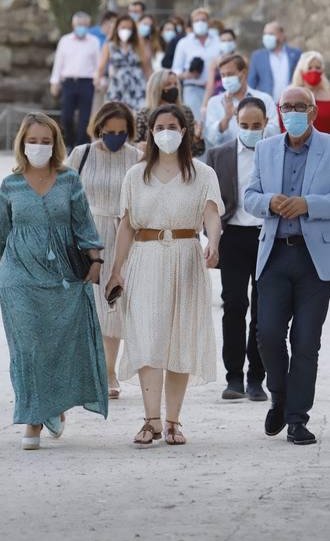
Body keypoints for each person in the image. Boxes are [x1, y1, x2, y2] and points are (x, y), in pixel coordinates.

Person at [244, 87, 330, 446]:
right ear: (279, 112)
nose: (292, 112)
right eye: (287, 107)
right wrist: (270, 202)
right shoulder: (264, 149)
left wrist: (309, 204)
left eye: (300, 106)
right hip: (275, 254)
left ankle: (297, 419)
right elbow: (250, 197)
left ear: (312, 112)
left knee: (306, 341)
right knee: (268, 336)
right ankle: (279, 397)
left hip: (316, 259)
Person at [0, 112, 107, 451]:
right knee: (27, 348)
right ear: (22, 143)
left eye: (45, 141)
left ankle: (53, 406)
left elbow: (84, 226)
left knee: (56, 346)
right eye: (33, 141)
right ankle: (33, 418)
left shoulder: (68, 180)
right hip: (17, 276)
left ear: (55, 144)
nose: (39, 146)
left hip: (61, 276)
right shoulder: (10, 184)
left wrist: (96, 262)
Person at [105, 104, 223, 447]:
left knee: (180, 337)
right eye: (160, 126)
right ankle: (151, 419)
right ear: (150, 133)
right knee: (148, 336)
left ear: (184, 132)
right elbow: (126, 225)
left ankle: (173, 420)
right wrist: (116, 270)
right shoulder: (135, 175)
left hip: (186, 256)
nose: (166, 131)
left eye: (173, 125)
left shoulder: (202, 173)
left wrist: (213, 243)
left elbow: (212, 213)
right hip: (145, 258)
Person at [69, 102, 141, 399]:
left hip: (125, 233)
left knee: (115, 305)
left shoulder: (136, 156)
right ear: (99, 128)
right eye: (110, 132)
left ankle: (109, 371)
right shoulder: (80, 154)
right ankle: (91, 370)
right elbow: (67, 194)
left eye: (122, 132)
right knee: (89, 305)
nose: (115, 137)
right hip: (88, 234)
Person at [207, 97, 268, 402]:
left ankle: (258, 378)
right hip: (233, 238)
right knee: (233, 306)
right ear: (236, 123)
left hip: (267, 238)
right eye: (244, 125)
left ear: (266, 124)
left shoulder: (276, 153)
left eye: (256, 126)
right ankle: (234, 378)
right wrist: (212, 240)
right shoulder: (219, 156)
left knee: (264, 309)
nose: (250, 130)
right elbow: (209, 203)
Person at [50, 12, 101, 150]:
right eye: (79, 25)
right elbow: (58, 63)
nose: (81, 27)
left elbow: (98, 64)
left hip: (87, 82)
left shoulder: (94, 41)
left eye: (84, 25)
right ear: (73, 25)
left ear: (88, 25)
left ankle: (81, 147)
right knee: (66, 116)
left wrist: (99, 80)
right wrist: (55, 82)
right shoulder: (65, 41)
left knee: (85, 119)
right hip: (69, 83)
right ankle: (69, 143)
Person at [205, 53, 279, 147]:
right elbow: (211, 139)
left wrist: (254, 123)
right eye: (223, 75)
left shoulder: (264, 99)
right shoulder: (214, 102)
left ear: (243, 73)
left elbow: (275, 133)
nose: (226, 79)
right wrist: (226, 118)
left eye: (230, 74)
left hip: (258, 154)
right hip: (228, 158)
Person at [135, 69, 205, 157]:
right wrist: (141, 147)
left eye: (176, 84)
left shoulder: (185, 112)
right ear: (157, 88)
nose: (174, 87)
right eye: (168, 84)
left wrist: (196, 138)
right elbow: (134, 147)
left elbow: (195, 151)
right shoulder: (144, 114)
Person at [172, 8, 221, 120]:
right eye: (196, 20)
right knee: (195, 122)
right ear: (192, 23)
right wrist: (189, 74)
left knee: (214, 122)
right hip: (192, 89)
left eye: (203, 20)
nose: (200, 23)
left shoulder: (218, 41)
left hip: (215, 90)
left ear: (209, 22)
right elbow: (175, 70)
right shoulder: (184, 43)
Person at [94, 14, 150, 111]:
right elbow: (102, 66)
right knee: (115, 113)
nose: (126, 30)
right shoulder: (109, 45)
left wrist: (151, 83)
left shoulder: (138, 45)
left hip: (137, 85)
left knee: (139, 114)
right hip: (117, 85)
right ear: (117, 28)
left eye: (129, 28)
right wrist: (97, 80)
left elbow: (146, 67)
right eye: (123, 27)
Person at [286, 51, 330, 138]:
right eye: (309, 68)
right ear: (302, 71)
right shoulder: (290, 96)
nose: (314, 71)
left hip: (327, 148)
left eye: (318, 68)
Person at [248, 21, 302, 102]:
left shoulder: (296, 54)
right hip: (267, 106)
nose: (267, 37)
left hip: (291, 105)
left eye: (271, 34)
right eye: (265, 34)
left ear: (281, 35)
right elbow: (251, 83)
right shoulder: (257, 56)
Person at [201, 28, 239, 110]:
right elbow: (210, 86)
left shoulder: (241, 60)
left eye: (229, 40)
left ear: (235, 41)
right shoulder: (215, 62)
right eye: (223, 41)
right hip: (218, 98)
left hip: (237, 99)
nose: (226, 43)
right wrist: (204, 105)